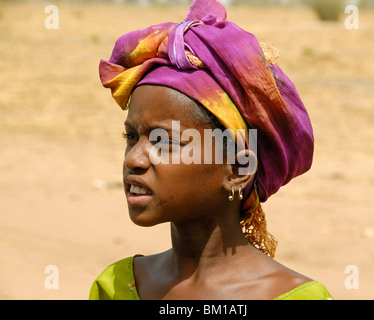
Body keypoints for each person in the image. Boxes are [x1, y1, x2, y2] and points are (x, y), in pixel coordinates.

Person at [89, 0, 332, 300]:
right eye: (131, 136)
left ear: (238, 170)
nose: (134, 159)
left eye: (163, 141)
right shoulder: (116, 287)